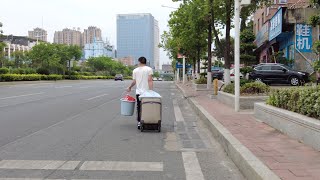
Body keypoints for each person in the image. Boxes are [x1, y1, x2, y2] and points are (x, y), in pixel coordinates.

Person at [127, 57, 153, 129]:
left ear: (139, 62)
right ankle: (147, 120)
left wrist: (129, 87)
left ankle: (139, 122)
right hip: (147, 93)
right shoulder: (149, 69)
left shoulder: (135, 70)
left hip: (139, 92)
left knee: (139, 107)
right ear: (145, 62)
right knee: (147, 106)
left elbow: (134, 81)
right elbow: (150, 80)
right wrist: (151, 91)